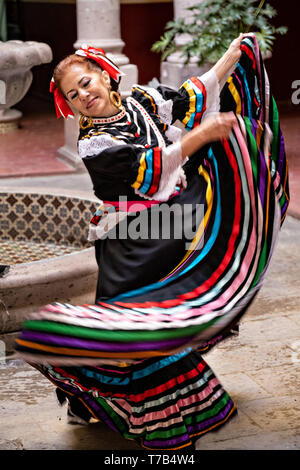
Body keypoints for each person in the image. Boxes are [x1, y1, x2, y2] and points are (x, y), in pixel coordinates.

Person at [15, 33, 289, 450]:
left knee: (167, 315)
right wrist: (201, 136)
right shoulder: (94, 143)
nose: (83, 96)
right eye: (72, 95)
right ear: (70, 107)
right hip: (131, 242)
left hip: (167, 229)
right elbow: (147, 170)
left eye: (86, 83)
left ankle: (120, 407)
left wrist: (234, 54)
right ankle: (95, 402)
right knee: (133, 327)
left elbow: (191, 94)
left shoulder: (141, 102)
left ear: (107, 77)